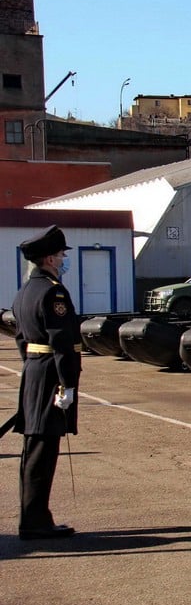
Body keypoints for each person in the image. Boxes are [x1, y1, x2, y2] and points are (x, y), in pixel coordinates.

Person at [10, 226, 81, 540]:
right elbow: (62, 342)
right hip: (51, 375)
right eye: (62, 255)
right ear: (50, 258)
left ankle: (35, 515)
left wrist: (33, 369)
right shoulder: (54, 292)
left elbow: (21, 339)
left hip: (35, 372)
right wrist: (67, 385)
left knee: (33, 448)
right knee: (42, 450)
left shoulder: (25, 291)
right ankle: (35, 521)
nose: (64, 259)